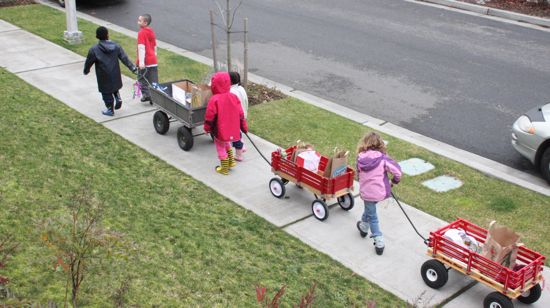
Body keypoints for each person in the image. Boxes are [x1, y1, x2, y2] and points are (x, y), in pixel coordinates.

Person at [355, 132, 402, 255]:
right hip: (380, 192)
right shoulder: (383, 159)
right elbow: (398, 172)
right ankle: (367, 229)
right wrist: (394, 181)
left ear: (365, 143)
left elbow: (358, 175)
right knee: (371, 211)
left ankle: (377, 239)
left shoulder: (360, 158)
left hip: (367, 193)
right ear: (380, 144)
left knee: (372, 214)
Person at [84, 26, 136, 116]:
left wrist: (86, 70)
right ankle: (118, 97)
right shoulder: (116, 46)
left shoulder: (94, 50)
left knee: (106, 93)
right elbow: (124, 58)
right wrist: (133, 68)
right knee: (114, 87)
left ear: (97, 36)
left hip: (103, 75)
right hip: (115, 73)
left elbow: (89, 62)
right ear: (107, 35)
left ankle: (110, 109)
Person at [204, 72, 248, 175]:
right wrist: (244, 128)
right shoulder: (233, 96)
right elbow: (241, 114)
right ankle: (231, 161)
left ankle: (224, 168)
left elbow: (209, 117)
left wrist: (207, 128)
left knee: (220, 146)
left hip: (220, 129)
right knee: (227, 142)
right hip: (233, 128)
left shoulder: (214, 99)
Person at [136, 13, 158, 104]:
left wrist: (141, 62)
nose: (138, 22)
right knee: (154, 80)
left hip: (146, 61)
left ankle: (147, 95)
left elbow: (141, 47)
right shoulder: (151, 31)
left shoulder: (141, 33)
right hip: (153, 60)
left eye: (140, 21)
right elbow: (155, 45)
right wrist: (154, 56)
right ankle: (156, 97)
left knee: (141, 79)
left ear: (145, 22)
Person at [228, 71, 249, 161]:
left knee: (235, 136)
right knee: (238, 131)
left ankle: (238, 155)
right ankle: (242, 146)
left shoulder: (231, 92)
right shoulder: (240, 88)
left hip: (236, 117)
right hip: (243, 113)